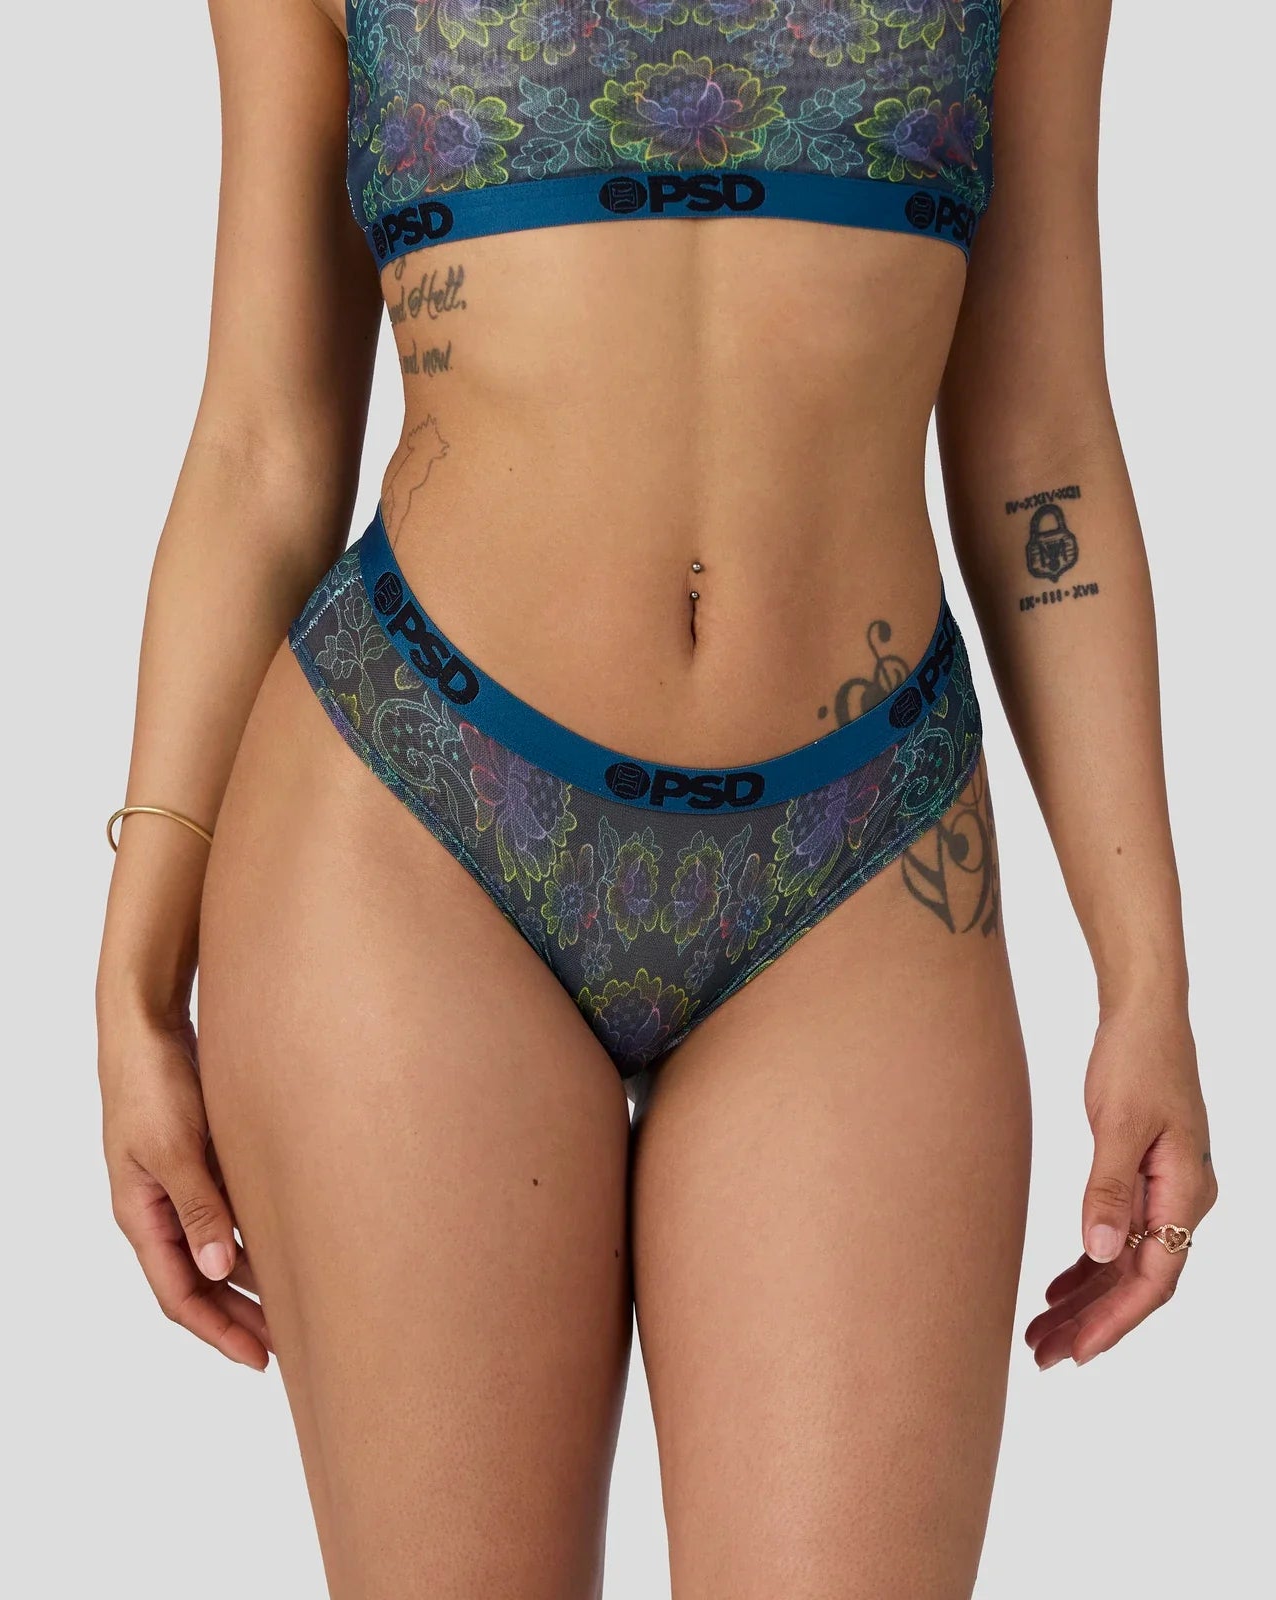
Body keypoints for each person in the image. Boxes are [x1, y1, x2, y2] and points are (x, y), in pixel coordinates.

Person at [96, 1, 1216, 1593]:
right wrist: (135, 976)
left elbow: (1043, 439)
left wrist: (1148, 980)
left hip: (860, 847)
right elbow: (263, 446)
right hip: (416, 813)